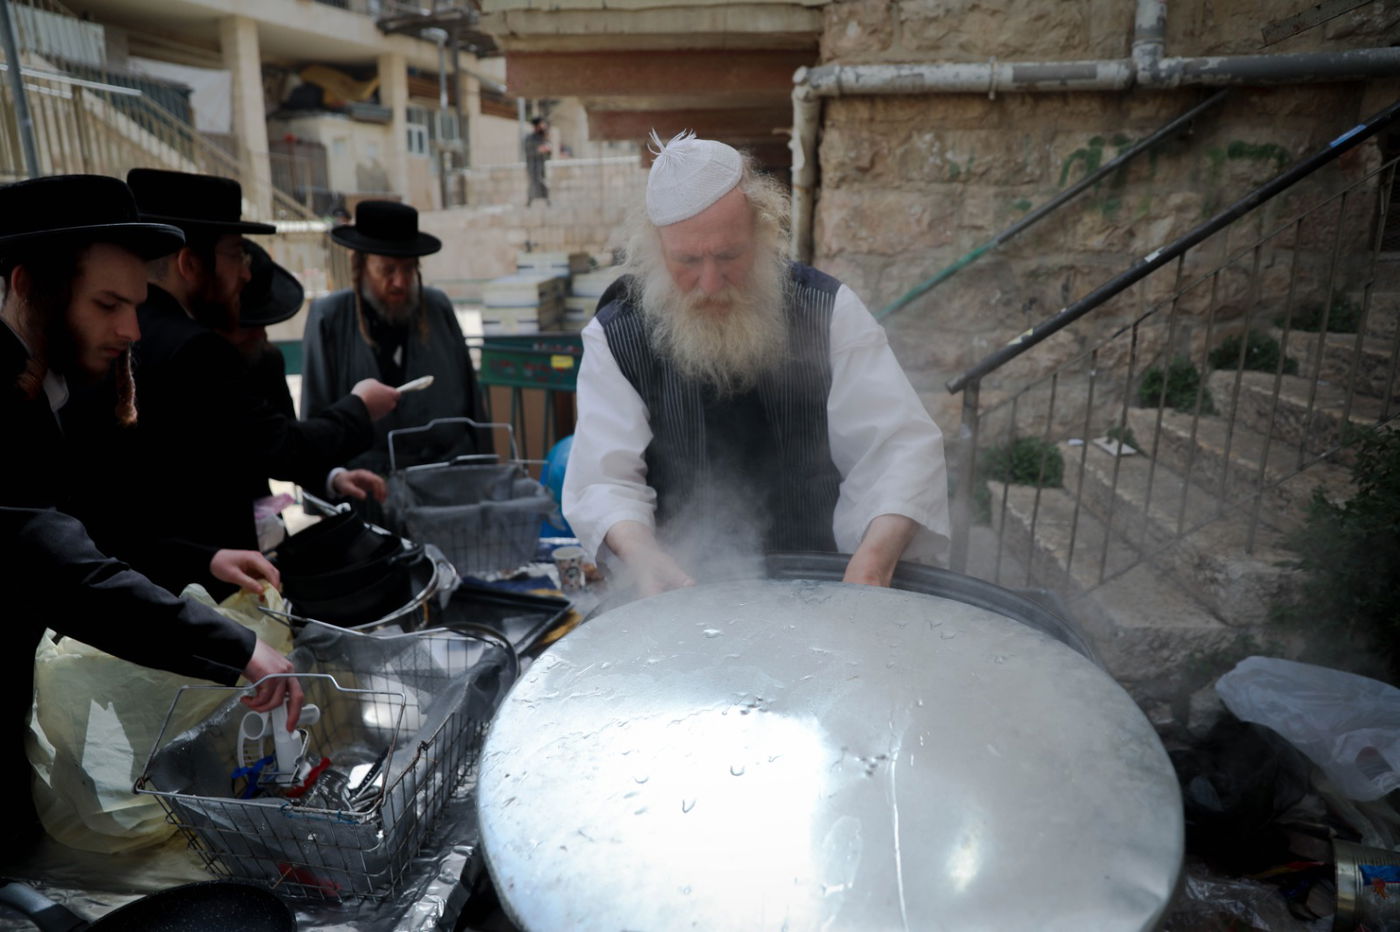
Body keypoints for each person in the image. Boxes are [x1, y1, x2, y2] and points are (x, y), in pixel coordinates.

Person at [0, 174, 302, 855]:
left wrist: (201, 559)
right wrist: (237, 647)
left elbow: (91, 527)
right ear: (28, 286)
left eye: (136, 303)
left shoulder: (54, 377)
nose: (133, 329)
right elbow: (56, 561)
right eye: (108, 303)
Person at [562, 132, 950, 597]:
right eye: (686, 260)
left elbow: (899, 450)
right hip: (679, 598)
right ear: (655, 248)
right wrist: (642, 556)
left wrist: (872, 564)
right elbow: (605, 481)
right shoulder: (617, 335)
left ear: (763, 232)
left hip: (828, 589)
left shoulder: (827, 311)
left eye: (729, 255)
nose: (709, 282)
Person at [66, 169, 399, 598]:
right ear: (189, 263)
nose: (245, 273)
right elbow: (280, 448)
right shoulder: (194, 348)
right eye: (236, 254)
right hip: (192, 586)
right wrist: (360, 406)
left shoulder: (149, 336)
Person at [301, 200, 491, 488]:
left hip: (449, 482)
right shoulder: (329, 317)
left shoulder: (437, 308)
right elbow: (315, 417)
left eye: (408, 269)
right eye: (387, 270)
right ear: (361, 265)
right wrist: (326, 485)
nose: (400, 282)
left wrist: (486, 476)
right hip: (370, 487)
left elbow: (472, 404)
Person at [524, 116, 551, 205]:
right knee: (534, 184)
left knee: (543, 183)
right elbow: (528, 151)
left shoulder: (543, 137)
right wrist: (538, 150)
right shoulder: (529, 138)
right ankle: (530, 202)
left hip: (541, 166)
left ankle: (547, 201)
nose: (543, 126)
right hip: (533, 166)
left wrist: (547, 149)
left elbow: (548, 154)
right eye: (541, 124)